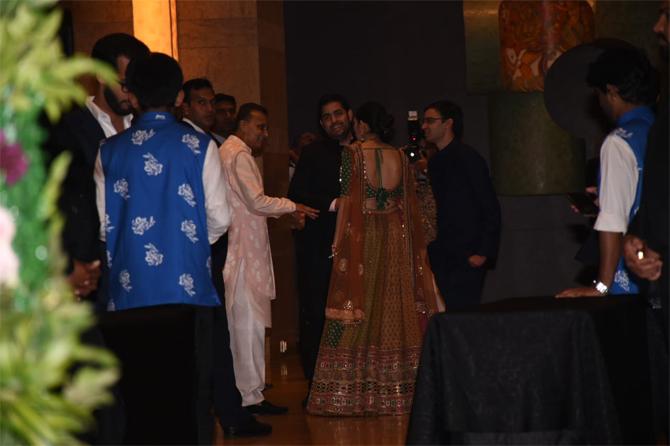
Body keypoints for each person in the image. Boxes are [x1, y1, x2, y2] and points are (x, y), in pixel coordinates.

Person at [45, 32, 149, 444]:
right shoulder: (71, 129)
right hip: (89, 276)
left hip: (142, 277)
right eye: (123, 82)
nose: (129, 93)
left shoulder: (150, 128)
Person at [306, 102, 439, 416]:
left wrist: (338, 241)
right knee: (390, 308)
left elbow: (351, 202)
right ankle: (398, 390)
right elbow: (407, 205)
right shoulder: (397, 155)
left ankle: (349, 392)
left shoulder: (352, 154)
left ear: (362, 124)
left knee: (356, 307)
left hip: (364, 235)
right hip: (393, 236)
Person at [180, 78, 273, 437]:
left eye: (211, 102)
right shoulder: (205, 147)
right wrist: (293, 205)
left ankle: (239, 407)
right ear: (182, 105)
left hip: (215, 250)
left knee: (226, 336)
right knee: (229, 334)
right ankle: (237, 410)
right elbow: (224, 213)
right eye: (201, 103)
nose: (209, 110)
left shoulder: (215, 146)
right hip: (219, 251)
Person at [219, 103, 318, 415]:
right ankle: (249, 396)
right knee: (247, 326)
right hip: (243, 253)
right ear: (243, 123)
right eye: (260, 126)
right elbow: (257, 201)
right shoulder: (238, 154)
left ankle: (252, 392)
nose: (264, 133)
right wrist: (293, 205)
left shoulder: (228, 151)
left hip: (243, 249)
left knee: (248, 325)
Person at [557, 46, 658, 298]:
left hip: (632, 279)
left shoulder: (618, 142)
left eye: (598, 94)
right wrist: (607, 196)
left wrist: (600, 287)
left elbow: (613, 221)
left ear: (611, 91)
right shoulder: (658, 131)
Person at [287, 94, 353, 392]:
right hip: (319, 247)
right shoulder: (313, 153)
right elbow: (297, 193)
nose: (333, 121)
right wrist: (334, 203)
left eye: (338, 114)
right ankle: (316, 385)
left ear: (349, 115)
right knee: (316, 313)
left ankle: (350, 380)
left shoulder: (364, 150)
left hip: (356, 249)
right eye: (326, 117)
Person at [422, 100, 501, 308]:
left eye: (430, 121)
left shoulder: (468, 158)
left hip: (467, 254)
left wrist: (483, 251)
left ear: (448, 123)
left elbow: (489, 206)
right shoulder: (435, 161)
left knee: (463, 315)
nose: (424, 126)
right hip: (443, 252)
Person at [181, 78, 220, 142]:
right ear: (186, 108)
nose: (210, 109)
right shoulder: (184, 137)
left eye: (212, 102)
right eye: (202, 103)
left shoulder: (208, 136)